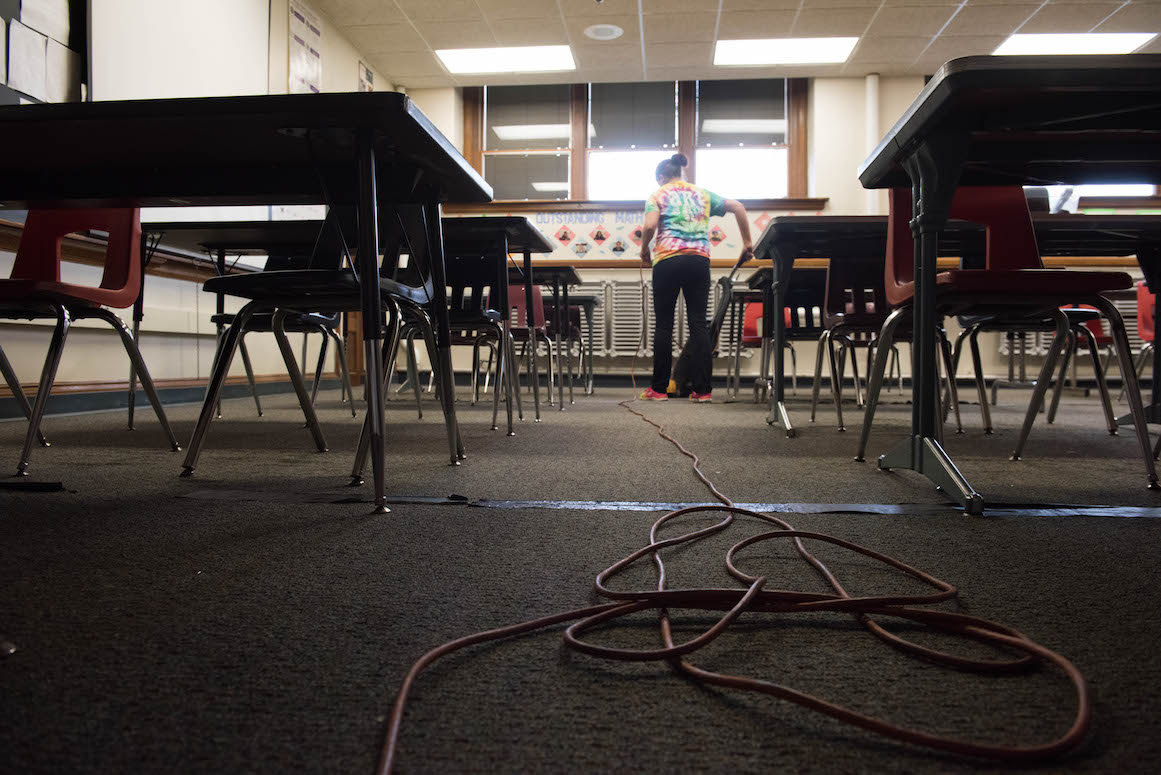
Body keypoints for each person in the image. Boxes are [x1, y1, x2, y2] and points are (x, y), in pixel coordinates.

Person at [639, 154, 753, 402]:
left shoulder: (657, 195)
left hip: (667, 260)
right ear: (680, 173)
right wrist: (746, 242)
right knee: (699, 324)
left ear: (661, 177)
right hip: (698, 261)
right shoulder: (701, 194)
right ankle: (703, 391)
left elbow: (649, 226)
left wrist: (644, 249)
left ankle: (658, 390)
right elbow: (739, 207)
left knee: (664, 325)